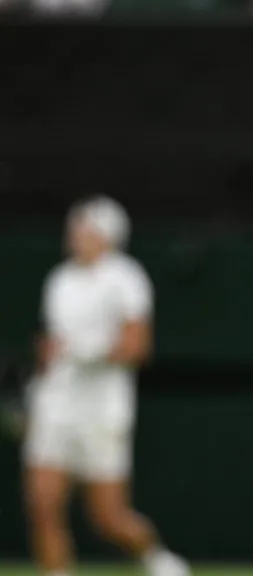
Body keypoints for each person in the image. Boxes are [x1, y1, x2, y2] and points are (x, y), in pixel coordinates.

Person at [22, 196, 190, 576]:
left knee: (108, 517)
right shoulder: (59, 279)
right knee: (42, 503)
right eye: (73, 227)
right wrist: (46, 365)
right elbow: (54, 345)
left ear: (107, 235)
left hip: (103, 410)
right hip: (55, 405)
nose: (74, 234)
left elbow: (138, 346)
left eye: (83, 227)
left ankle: (155, 557)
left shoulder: (126, 277)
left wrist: (82, 350)